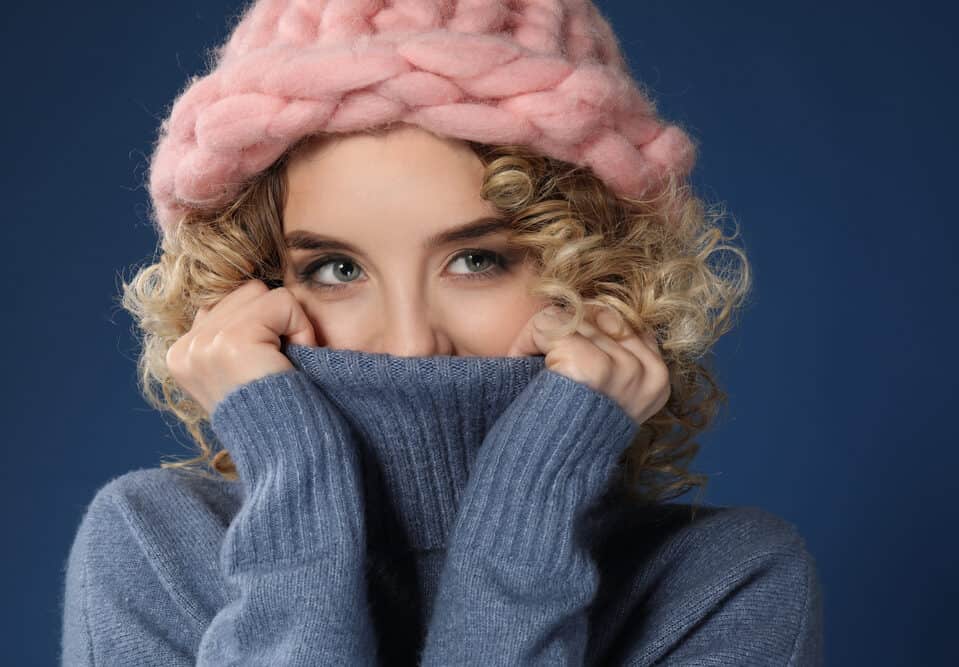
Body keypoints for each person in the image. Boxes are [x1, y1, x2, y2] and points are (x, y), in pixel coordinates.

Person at [60, 1, 823, 665]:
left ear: (598, 273)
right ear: (247, 285)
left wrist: (531, 499)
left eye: (476, 259)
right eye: (334, 268)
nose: (410, 342)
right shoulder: (152, 545)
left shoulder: (722, 584)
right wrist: (296, 492)